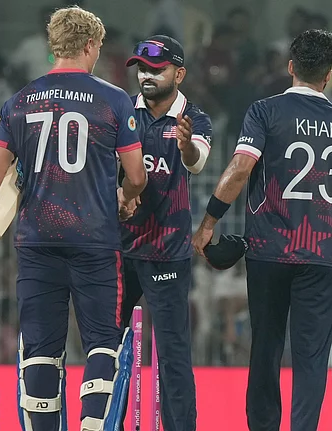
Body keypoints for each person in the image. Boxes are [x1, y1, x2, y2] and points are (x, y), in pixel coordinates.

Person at [0, 6, 147, 431]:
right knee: (100, 345)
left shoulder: (19, 100)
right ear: (91, 45)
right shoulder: (113, 98)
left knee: (40, 348)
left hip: (38, 240)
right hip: (95, 239)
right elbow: (136, 174)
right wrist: (124, 198)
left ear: (55, 45)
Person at [191, 29, 332, 431]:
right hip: (321, 254)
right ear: (328, 75)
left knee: (265, 347)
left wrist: (209, 222)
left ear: (290, 68)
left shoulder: (265, 111)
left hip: (269, 250)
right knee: (312, 356)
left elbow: (240, 169)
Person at [119, 35, 212, 431]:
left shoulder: (195, 119)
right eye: (142, 67)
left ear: (179, 73)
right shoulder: (123, 112)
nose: (147, 75)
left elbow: (197, 163)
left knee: (173, 354)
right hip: (119, 248)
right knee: (109, 348)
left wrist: (186, 145)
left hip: (167, 251)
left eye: (156, 69)